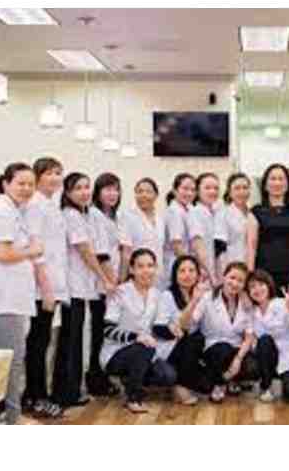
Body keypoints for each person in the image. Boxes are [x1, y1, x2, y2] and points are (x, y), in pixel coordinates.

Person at [0, 163, 43, 424]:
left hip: (13, 297)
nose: (26, 189)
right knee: (10, 361)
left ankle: (10, 416)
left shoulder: (14, 211)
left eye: (30, 184)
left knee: (13, 359)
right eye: (21, 183)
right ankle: (12, 419)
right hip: (5, 299)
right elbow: (3, 254)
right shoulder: (2, 212)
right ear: (6, 184)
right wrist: (32, 251)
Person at [51, 172, 116, 409]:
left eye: (87, 187)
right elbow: (85, 251)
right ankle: (66, 393)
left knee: (77, 339)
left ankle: (73, 389)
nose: (84, 192)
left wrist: (107, 279)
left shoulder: (87, 214)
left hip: (84, 287)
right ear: (68, 192)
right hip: (72, 287)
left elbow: (98, 250)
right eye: (78, 188)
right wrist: (104, 278)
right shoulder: (70, 215)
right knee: (71, 341)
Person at [101, 248, 177, 413]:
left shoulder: (158, 294)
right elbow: (107, 329)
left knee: (167, 375)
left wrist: (172, 328)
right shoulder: (120, 292)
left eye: (150, 266)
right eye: (140, 266)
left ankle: (129, 379)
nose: (146, 270)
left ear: (156, 268)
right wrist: (135, 336)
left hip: (146, 352)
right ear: (132, 269)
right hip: (116, 353)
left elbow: (160, 326)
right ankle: (133, 397)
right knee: (143, 347)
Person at [22, 157, 67, 419]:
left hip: (51, 285)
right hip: (41, 287)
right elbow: (36, 249)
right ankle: (36, 397)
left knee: (42, 341)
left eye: (58, 173)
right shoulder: (36, 205)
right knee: (38, 343)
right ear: (38, 176)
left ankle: (34, 394)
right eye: (49, 173)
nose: (55, 178)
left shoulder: (51, 204)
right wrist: (47, 288)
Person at [88, 172, 129, 396]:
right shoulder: (94, 215)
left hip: (114, 283)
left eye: (116, 189)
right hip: (102, 285)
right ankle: (96, 380)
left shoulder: (115, 216)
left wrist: (120, 280)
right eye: (107, 189)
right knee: (98, 332)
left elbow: (123, 250)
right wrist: (112, 281)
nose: (112, 194)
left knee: (108, 332)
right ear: (98, 192)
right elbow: (101, 254)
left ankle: (104, 378)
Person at [194, 261, 259, 403]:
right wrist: (195, 298)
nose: (235, 283)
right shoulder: (208, 297)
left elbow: (248, 337)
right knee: (222, 349)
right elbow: (193, 320)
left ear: (244, 285)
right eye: (232, 277)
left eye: (240, 281)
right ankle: (221, 383)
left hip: (236, 348)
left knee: (252, 367)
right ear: (224, 277)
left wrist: (238, 359)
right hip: (213, 347)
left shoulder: (246, 303)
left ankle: (226, 379)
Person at [153, 255, 211, 405]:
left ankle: (185, 382)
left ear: (198, 275)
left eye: (191, 270)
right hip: (171, 347)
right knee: (193, 338)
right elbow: (158, 328)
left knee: (207, 386)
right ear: (175, 274)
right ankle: (180, 386)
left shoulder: (202, 294)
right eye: (182, 271)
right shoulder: (167, 295)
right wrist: (173, 329)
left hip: (192, 348)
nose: (187, 275)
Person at [248, 270, 289, 403]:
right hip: (267, 359)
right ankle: (266, 387)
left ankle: (285, 382)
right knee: (264, 340)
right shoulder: (252, 312)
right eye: (252, 287)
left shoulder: (282, 303)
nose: (257, 289)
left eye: (261, 284)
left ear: (269, 285)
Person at [248, 163, 289, 295]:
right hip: (264, 273)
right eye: (273, 179)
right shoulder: (256, 211)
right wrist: (250, 275)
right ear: (265, 185)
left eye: (281, 179)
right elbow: (251, 246)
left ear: (287, 184)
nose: (277, 183)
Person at [123, 177, 166, 287]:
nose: (144, 195)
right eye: (140, 191)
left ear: (156, 195)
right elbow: (126, 251)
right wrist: (122, 278)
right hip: (137, 275)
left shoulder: (160, 219)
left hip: (158, 275)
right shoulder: (128, 217)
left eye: (148, 191)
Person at [214, 173, 252, 274]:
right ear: (230, 192)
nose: (242, 192)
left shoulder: (252, 213)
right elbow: (220, 247)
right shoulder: (223, 214)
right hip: (230, 267)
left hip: (250, 265)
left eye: (245, 188)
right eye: (237, 188)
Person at [163, 173, 196, 284]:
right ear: (175, 190)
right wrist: (190, 267)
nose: (189, 193)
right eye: (185, 189)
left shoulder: (189, 209)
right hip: (177, 265)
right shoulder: (174, 211)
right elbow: (177, 245)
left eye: (193, 190)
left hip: (185, 264)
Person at [189, 172, 221, 286]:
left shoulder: (217, 212)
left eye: (216, 188)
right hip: (204, 273)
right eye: (207, 188)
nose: (212, 191)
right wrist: (211, 276)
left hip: (217, 271)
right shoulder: (195, 212)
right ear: (198, 191)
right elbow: (198, 245)